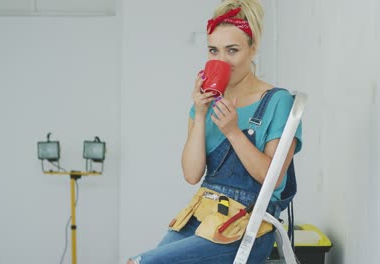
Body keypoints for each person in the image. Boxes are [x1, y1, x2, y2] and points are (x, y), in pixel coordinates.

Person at [128, 0, 302, 263]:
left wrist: (233, 131)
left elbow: (273, 179)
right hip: (201, 216)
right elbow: (192, 174)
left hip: (245, 225)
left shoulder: (277, 102)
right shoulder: (205, 104)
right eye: (213, 51)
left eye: (232, 50)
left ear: (253, 48)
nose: (222, 60)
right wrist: (199, 114)